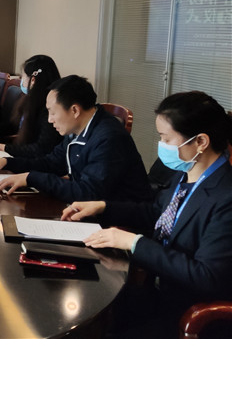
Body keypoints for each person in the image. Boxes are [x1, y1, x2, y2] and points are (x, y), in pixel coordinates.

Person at [61, 91, 232, 337]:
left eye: (166, 138)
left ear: (201, 142)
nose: (162, 145)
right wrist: (103, 206)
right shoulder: (186, 172)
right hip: (154, 288)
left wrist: (134, 243)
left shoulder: (225, 197)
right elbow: (157, 213)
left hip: (186, 313)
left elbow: (207, 276)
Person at [0, 75, 152, 203]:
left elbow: (88, 193)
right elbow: (51, 163)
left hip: (117, 220)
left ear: (75, 110)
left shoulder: (109, 138)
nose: (49, 120)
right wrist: (7, 162)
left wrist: (32, 178)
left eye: (52, 112)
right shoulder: (77, 128)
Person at [0, 54, 62, 157]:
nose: (21, 80)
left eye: (23, 77)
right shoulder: (31, 99)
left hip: (34, 160)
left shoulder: (48, 108)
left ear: (33, 80)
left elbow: (41, 149)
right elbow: (17, 125)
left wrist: (6, 148)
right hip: (23, 154)